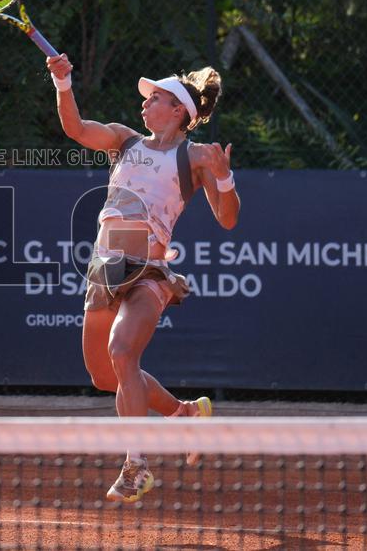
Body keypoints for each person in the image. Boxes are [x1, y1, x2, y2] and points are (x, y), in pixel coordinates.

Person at [46, 53, 240, 502]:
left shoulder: (194, 157)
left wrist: (225, 178)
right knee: (104, 374)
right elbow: (76, 129)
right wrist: (63, 83)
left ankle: (136, 466)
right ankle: (185, 415)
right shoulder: (124, 140)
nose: (144, 105)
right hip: (104, 269)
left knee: (121, 351)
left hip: (150, 271)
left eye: (154, 99)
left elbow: (228, 219)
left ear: (177, 111)